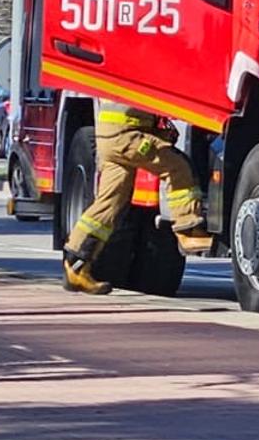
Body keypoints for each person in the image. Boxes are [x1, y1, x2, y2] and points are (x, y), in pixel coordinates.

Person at [62, 101, 213, 295]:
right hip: (126, 135)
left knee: (109, 204)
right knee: (178, 167)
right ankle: (188, 230)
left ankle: (76, 266)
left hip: (112, 135)